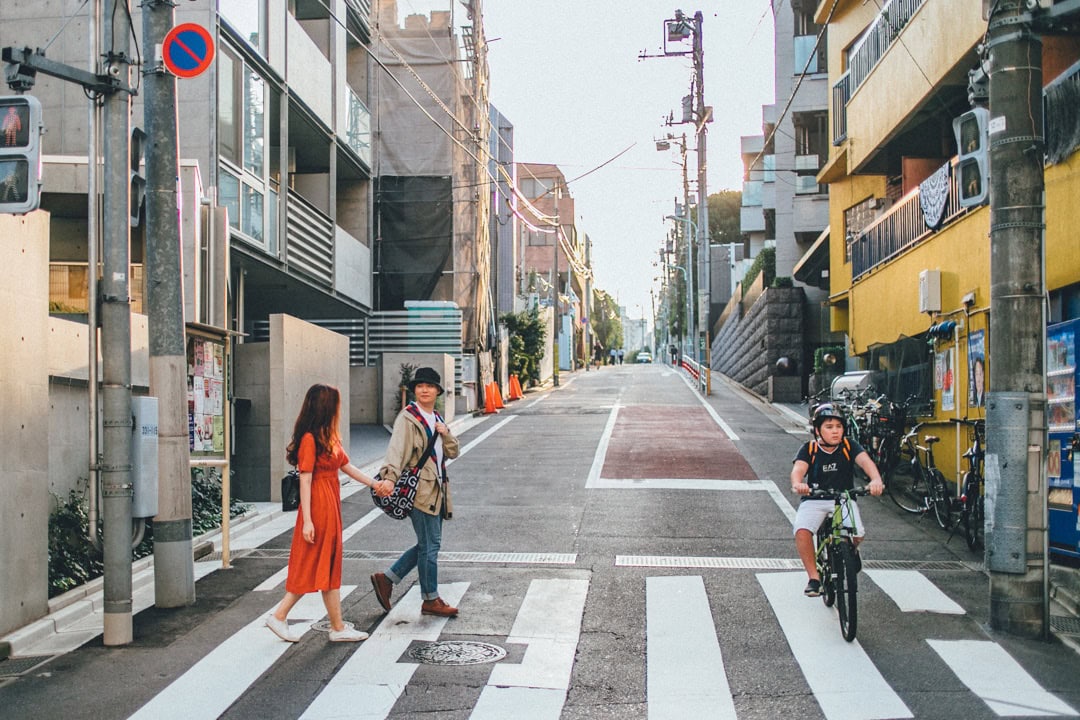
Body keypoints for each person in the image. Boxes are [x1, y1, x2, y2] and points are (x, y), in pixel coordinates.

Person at [266, 384, 394, 643]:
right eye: (335, 405)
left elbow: (347, 466)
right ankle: (286, 617)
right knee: (318, 562)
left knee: (326, 563)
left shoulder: (328, 437)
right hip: (319, 507)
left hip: (329, 504)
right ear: (326, 408)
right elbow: (305, 480)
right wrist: (307, 521)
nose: (339, 410)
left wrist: (375, 484)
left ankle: (333, 626)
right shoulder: (310, 440)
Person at [370, 367, 461, 617]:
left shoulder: (436, 418)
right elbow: (396, 451)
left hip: (437, 489)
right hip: (420, 491)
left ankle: (387, 579)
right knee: (430, 546)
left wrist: (446, 433)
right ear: (415, 390)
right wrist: (389, 478)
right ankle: (430, 598)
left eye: (429, 386)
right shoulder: (408, 418)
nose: (424, 390)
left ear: (437, 391)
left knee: (427, 544)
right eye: (420, 386)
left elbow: (453, 452)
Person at [790, 403, 884, 597]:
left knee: (857, 534)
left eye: (839, 426)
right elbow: (798, 469)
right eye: (829, 427)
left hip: (844, 498)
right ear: (818, 430)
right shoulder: (810, 448)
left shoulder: (850, 446)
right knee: (802, 531)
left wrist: (876, 480)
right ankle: (814, 578)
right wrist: (798, 483)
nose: (835, 431)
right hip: (815, 498)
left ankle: (852, 551)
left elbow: (866, 462)